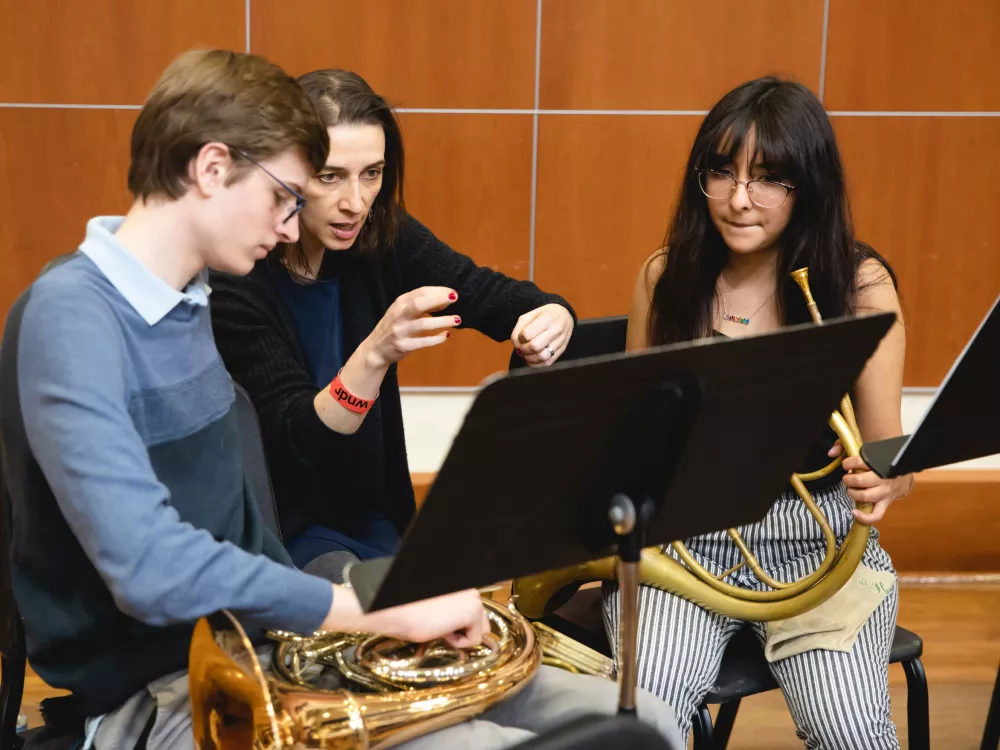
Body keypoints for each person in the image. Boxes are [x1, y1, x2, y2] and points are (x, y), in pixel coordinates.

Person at [0, 49, 682, 750]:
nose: (294, 228)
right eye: (284, 197)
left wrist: (390, 600)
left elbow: (246, 535)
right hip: (160, 693)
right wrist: (364, 608)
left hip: (271, 642)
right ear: (210, 170)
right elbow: (151, 570)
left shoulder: (187, 301)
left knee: (642, 720)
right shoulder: (70, 315)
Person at [602, 77, 914, 749]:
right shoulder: (666, 278)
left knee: (852, 734)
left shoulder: (860, 287)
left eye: (768, 178)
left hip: (817, 551)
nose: (739, 199)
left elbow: (894, 457)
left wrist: (885, 478)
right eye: (722, 172)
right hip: (684, 553)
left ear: (811, 185)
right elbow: (632, 441)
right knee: (641, 725)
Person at [209, 69, 576, 580]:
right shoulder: (237, 275)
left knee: (454, 623)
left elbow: (500, 299)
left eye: (373, 174)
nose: (355, 202)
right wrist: (376, 352)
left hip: (379, 519)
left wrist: (553, 317)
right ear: (285, 173)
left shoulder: (381, 235)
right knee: (378, 625)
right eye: (330, 176)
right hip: (285, 531)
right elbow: (300, 446)